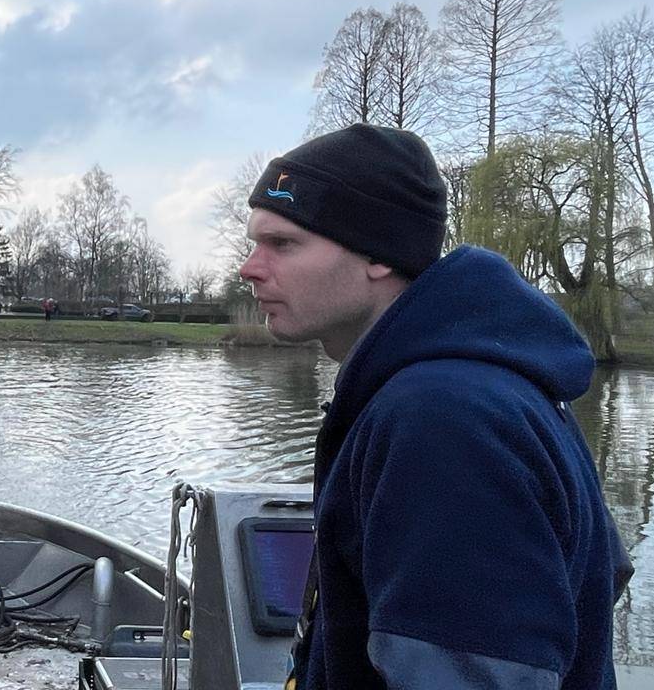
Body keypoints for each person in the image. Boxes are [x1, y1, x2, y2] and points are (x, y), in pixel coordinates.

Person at [237, 124, 632, 689]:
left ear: (377, 253)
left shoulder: (444, 420)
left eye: (282, 244)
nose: (250, 267)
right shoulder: (474, 388)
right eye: (256, 243)